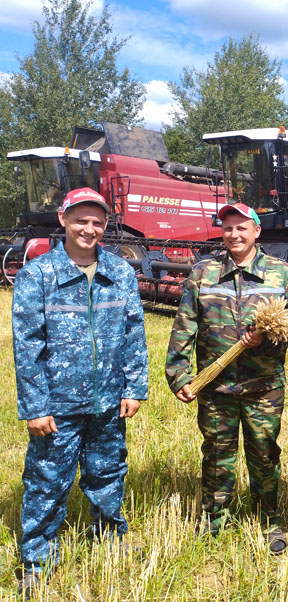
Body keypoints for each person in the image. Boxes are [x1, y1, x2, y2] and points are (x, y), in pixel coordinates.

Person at [12, 188, 148, 595]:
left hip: (108, 401)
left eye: (97, 221)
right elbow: (27, 346)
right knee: (48, 481)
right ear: (63, 220)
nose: (89, 229)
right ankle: (37, 559)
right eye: (81, 220)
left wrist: (134, 386)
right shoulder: (37, 275)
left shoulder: (120, 271)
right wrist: (35, 407)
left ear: (105, 225)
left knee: (107, 473)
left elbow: (133, 331)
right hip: (57, 404)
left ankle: (108, 540)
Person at [165, 202, 288, 553]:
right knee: (216, 454)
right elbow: (185, 326)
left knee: (264, 453)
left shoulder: (280, 273)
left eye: (241, 227)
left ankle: (268, 522)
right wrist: (179, 374)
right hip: (216, 388)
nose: (234, 234)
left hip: (264, 387)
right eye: (228, 228)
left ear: (256, 231)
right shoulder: (204, 273)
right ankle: (214, 520)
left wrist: (272, 336)